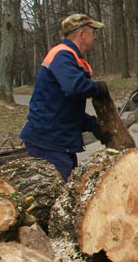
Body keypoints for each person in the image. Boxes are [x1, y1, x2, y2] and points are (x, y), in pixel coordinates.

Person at [19, 13, 111, 181]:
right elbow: (74, 89)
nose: (95, 37)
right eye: (92, 32)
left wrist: (92, 125)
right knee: (61, 192)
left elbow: (64, 106)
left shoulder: (72, 58)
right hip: (49, 142)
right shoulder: (62, 55)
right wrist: (97, 88)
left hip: (58, 141)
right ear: (82, 34)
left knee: (69, 189)